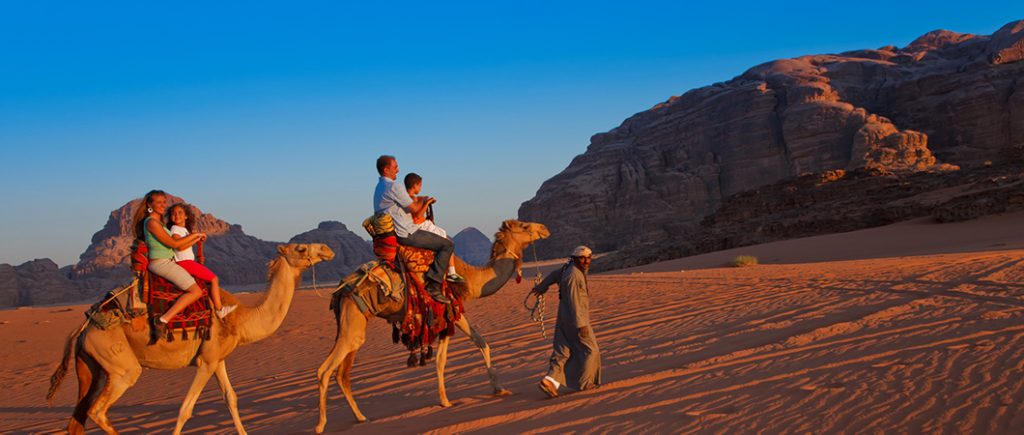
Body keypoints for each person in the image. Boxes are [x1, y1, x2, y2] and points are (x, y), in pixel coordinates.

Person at [373, 155, 463, 304]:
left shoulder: (379, 187)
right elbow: (415, 209)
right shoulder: (393, 186)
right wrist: (426, 201)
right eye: (395, 167)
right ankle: (433, 285)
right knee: (447, 245)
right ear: (386, 169)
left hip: (392, 233)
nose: (398, 170)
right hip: (405, 232)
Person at [131, 190, 208, 337]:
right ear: (149, 204)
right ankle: (162, 320)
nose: (162, 205)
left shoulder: (159, 223)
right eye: (159, 202)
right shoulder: (152, 223)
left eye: (164, 202)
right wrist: (195, 235)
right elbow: (174, 244)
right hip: (161, 263)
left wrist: (195, 239)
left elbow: (178, 245)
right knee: (196, 291)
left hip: (167, 261)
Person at [531, 245, 601, 398]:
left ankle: (550, 381)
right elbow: (575, 301)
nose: (586, 261)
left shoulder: (566, 269)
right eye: (582, 258)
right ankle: (586, 384)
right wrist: (581, 324)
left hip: (564, 317)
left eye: (588, 258)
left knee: (563, 351)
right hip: (575, 319)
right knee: (591, 351)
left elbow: (554, 275)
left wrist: (543, 286)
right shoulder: (574, 276)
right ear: (575, 258)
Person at [165, 203, 236, 319]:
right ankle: (219, 309)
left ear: (186, 216)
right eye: (173, 213)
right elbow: (179, 247)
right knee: (213, 279)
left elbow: (184, 244)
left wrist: (196, 239)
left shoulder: (183, 230)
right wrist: (196, 237)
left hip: (187, 261)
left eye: (180, 213)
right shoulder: (175, 229)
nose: (176, 215)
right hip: (185, 262)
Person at [404, 172, 466, 282]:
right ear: (415, 185)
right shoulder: (410, 200)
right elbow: (418, 215)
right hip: (420, 226)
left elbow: (419, 199)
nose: (420, 188)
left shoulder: (407, 198)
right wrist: (427, 203)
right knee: (447, 242)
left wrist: (427, 199)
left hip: (421, 224)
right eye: (420, 185)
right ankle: (451, 273)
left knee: (445, 237)